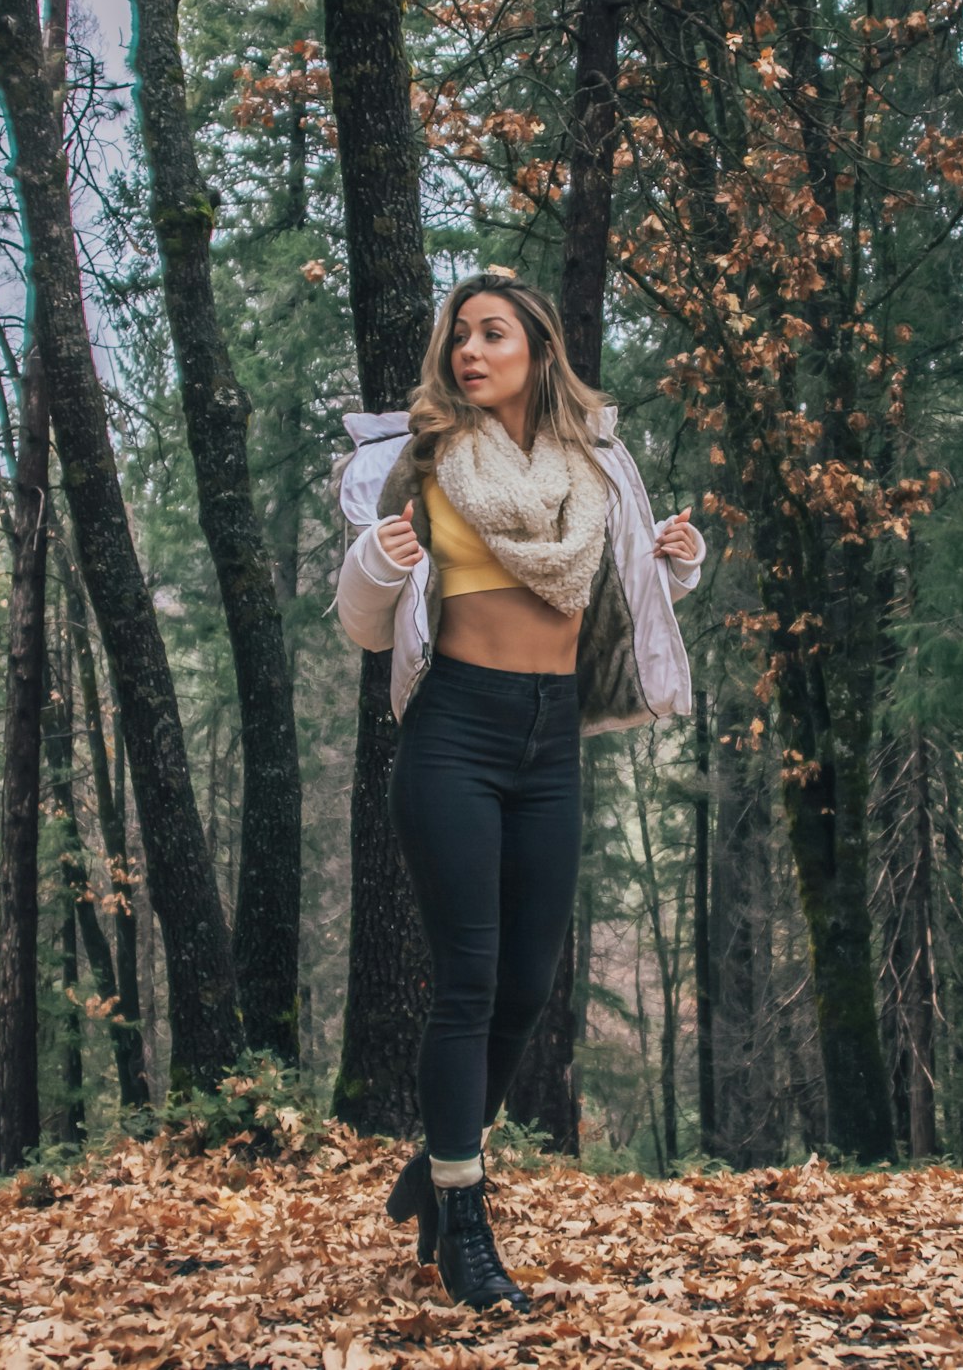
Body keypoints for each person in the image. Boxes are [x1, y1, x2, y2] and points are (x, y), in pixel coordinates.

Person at [335, 271, 704, 1313]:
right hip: (454, 730)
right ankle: (463, 1222)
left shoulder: (593, 462)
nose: (470, 352)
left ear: (537, 350)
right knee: (468, 979)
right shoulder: (417, 458)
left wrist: (679, 560)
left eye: (492, 334)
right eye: (460, 337)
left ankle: (437, 1161)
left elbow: (617, 582)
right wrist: (377, 554)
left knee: (528, 988)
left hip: (551, 743)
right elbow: (365, 620)